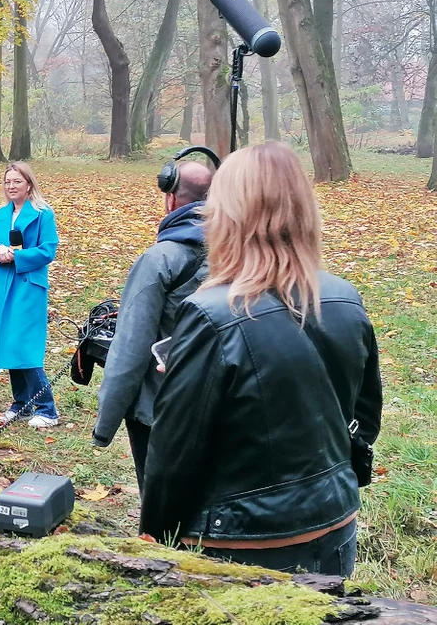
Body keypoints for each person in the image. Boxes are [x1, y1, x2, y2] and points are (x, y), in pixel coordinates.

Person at [140, 142, 383, 577]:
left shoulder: (210, 313)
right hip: (335, 519)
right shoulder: (345, 297)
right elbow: (364, 416)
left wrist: (155, 534)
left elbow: (175, 451)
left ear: (225, 214)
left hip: (243, 539)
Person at [91, 158, 214, 491]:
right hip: (217, 403)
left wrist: (104, 427)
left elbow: (130, 349)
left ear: (170, 197)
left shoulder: (158, 260)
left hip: (158, 409)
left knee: (160, 504)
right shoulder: (238, 253)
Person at [0, 162, 61, 428]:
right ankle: (22, 404)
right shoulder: (1, 215)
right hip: (2, 283)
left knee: (24, 344)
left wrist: (17, 255)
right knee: (8, 342)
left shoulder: (42, 214)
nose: (11, 186)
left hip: (27, 285)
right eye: (7, 182)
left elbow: (48, 250)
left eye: (17, 181)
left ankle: (47, 408)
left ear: (29, 184)